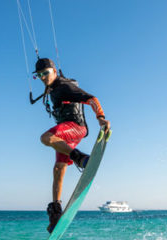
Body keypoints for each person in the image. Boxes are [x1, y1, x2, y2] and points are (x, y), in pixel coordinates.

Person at [32, 58, 110, 233]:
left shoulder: (64, 87)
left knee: (46, 138)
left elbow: (91, 99)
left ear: (54, 71)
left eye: (46, 73)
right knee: (58, 169)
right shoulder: (51, 88)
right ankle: (56, 214)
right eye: (39, 75)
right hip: (65, 134)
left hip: (75, 128)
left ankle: (80, 158)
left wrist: (101, 118)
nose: (43, 77)